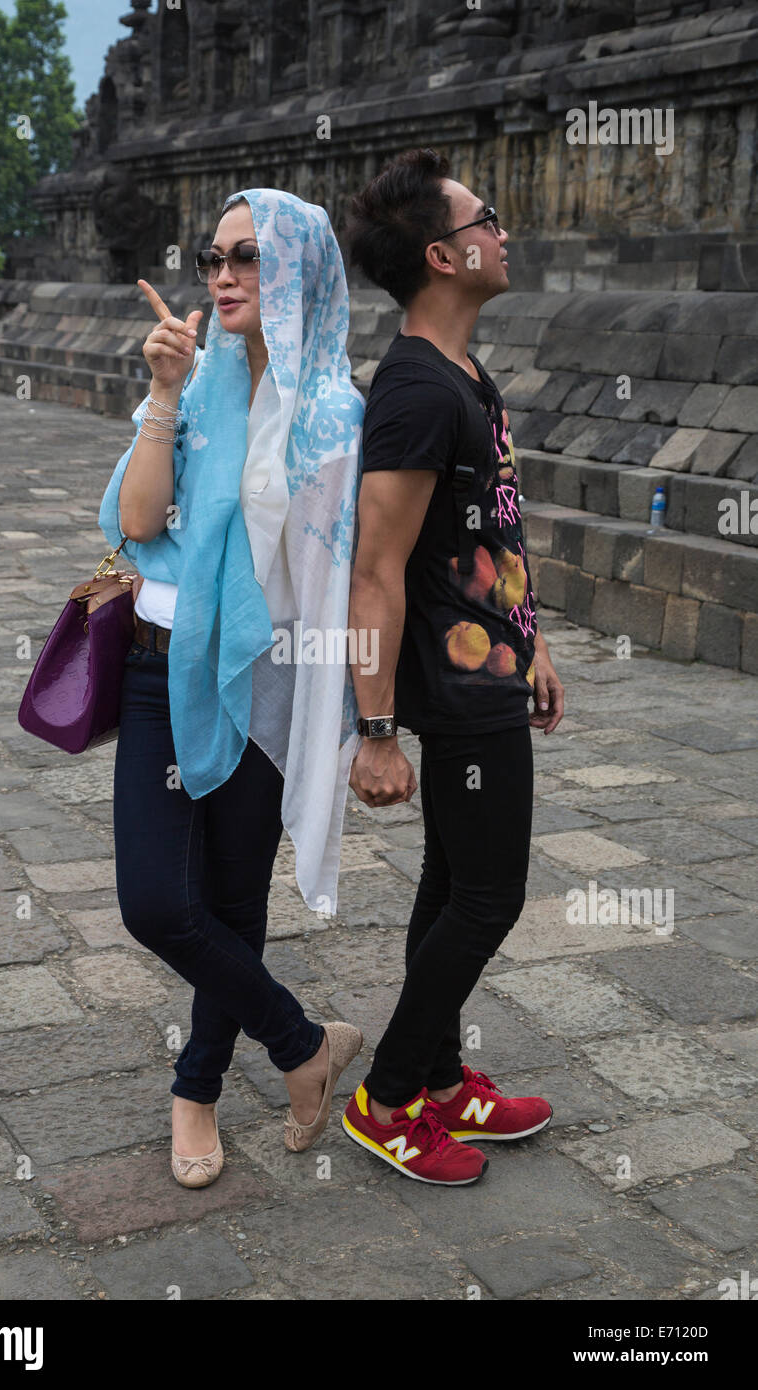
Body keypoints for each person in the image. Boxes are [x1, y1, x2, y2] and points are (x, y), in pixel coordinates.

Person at [97, 188, 366, 1188]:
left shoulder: (335, 414)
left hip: (268, 677)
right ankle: (303, 1044)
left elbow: (348, 575)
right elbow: (134, 520)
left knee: (230, 900)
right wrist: (165, 394)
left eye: (247, 256)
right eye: (213, 256)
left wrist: (364, 718)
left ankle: (196, 1090)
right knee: (156, 903)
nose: (222, 275)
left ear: (298, 266)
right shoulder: (198, 378)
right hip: (158, 669)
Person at [340, 147, 565, 1185]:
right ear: (442, 252)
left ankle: (438, 1080)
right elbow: (373, 571)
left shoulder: (468, 375)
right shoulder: (415, 391)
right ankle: (387, 1099)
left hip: (492, 667)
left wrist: (535, 642)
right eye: (486, 217)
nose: (501, 230)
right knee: (488, 897)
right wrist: (374, 731)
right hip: (449, 687)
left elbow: (489, 534)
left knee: (449, 881)